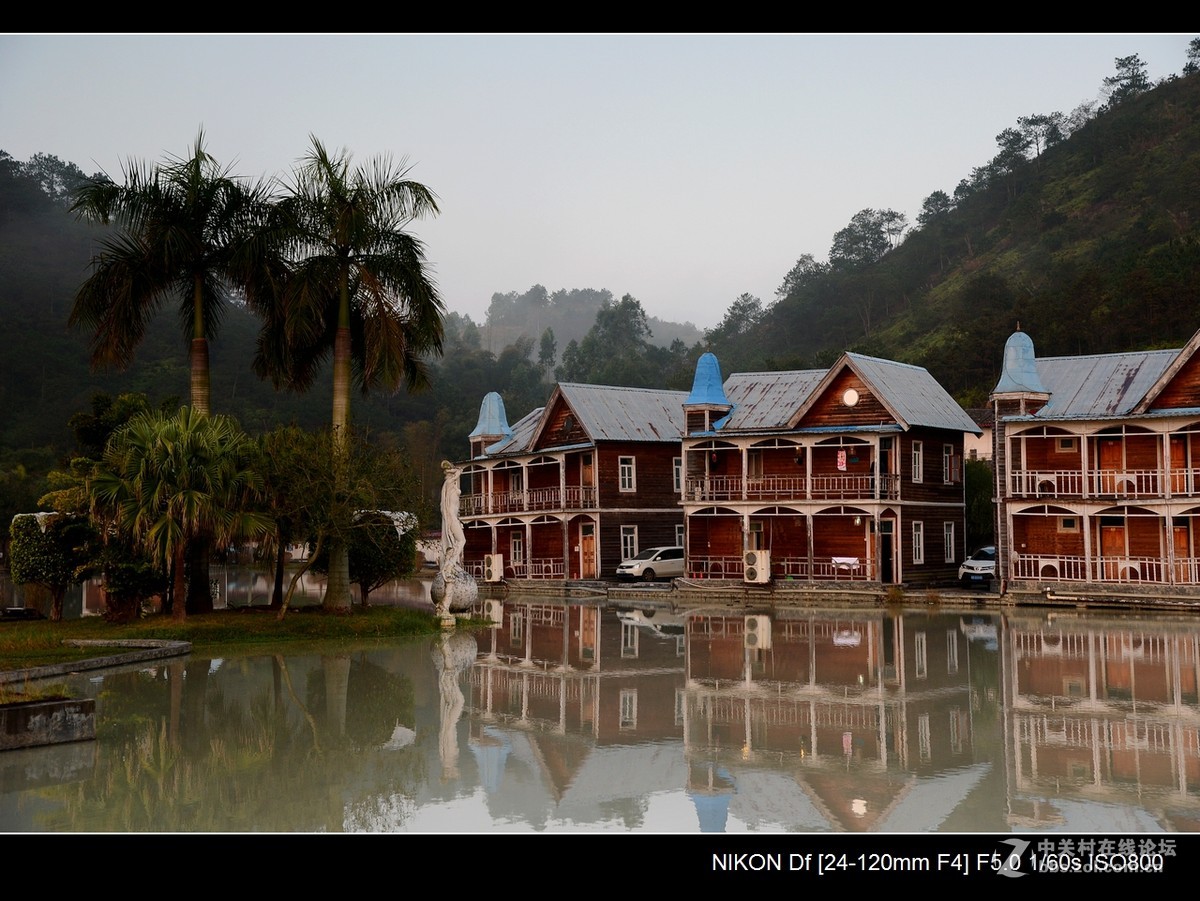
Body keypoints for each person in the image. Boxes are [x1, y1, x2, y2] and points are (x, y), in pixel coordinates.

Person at [440, 460, 465, 579]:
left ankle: (452, 562)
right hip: (451, 518)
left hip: (454, 517)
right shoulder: (448, 483)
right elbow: (458, 472)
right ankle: (451, 563)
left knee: (457, 541)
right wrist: (453, 469)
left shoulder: (451, 485)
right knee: (462, 541)